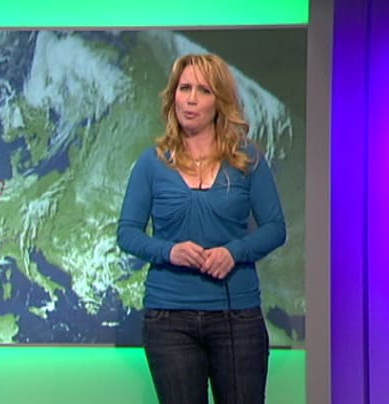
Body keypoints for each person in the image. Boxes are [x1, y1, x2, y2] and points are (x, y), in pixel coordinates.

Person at [116, 53, 286, 404]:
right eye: (184, 88)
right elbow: (128, 232)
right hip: (169, 319)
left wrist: (234, 252)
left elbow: (274, 228)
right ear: (173, 96)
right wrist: (170, 252)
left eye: (203, 90)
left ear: (219, 101)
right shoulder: (152, 163)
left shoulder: (247, 159)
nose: (191, 99)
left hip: (237, 318)